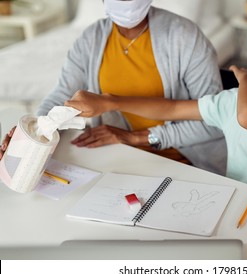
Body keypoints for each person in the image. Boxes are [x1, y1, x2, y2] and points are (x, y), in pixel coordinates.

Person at [64, 0, 247, 205]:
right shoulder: (235, 102)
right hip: (237, 208)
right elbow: (173, 108)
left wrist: (246, 81)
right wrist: (109, 102)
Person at [0, 0, 227, 175]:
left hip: (181, 159)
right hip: (117, 157)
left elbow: (215, 122)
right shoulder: (91, 39)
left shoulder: (185, 37)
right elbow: (61, 95)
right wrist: (32, 134)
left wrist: (136, 138)